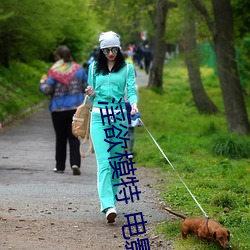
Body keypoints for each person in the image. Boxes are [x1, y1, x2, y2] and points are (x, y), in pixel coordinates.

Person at [85, 31, 138, 223]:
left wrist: (133, 104)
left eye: (113, 49)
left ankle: (112, 200)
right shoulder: (93, 68)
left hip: (118, 119)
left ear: (119, 48)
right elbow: (91, 97)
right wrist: (90, 92)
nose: (110, 53)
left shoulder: (127, 68)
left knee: (116, 164)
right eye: (106, 50)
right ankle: (108, 205)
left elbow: (131, 90)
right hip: (99, 118)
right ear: (101, 50)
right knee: (105, 163)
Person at [39, 45, 88, 175]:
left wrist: (42, 83)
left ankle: (60, 166)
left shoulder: (54, 71)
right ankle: (75, 163)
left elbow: (47, 90)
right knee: (74, 137)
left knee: (60, 138)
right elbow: (86, 87)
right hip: (75, 109)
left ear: (58, 57)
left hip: (58, 109)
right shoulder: (79, 70)